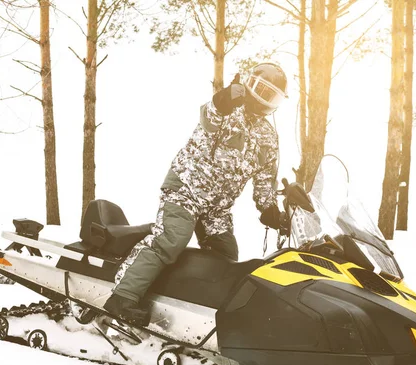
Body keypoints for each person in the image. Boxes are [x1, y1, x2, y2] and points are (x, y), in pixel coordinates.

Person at [103, 63, 289, 325]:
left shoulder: (268, 136)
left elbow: (264, 178)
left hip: (216, 208)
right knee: (171, 238)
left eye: (273, 96)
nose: (264, 99)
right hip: (187, 190)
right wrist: (223, 100)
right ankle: (122, 297)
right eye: (262, 90)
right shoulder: (228, 111)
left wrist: (270, 210)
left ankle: (193, 303)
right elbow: (210, 116)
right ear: (249, 83)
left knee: (226, 256)